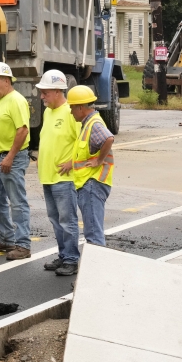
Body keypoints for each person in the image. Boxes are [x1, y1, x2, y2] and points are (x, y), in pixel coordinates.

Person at [0, 62, 32, 261]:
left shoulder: (16, 101)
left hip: (11, 157)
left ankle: (23, 244)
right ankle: (6, 238)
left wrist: (10, 156)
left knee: (17, 202)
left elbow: (23, 130)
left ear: (6, 80)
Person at [35, 70, 82, 277]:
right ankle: (64, 255)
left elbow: (85, 141)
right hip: (48, 176)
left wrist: (72, 162)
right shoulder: (48, 112)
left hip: (64, 179)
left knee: (67, 219)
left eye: (45, 92)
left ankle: (72, 259)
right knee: (55, 220)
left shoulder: (71, 113)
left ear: (57, 91)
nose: (41, 96)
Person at [63, 85, 114, 265]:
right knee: (93, 232)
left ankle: (95, 275)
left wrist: (99, 160)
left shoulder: (94, 124)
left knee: (93, 234)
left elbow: (108, 138)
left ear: (80, 108)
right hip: (89, 183)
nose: (70, 112)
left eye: (71, 108)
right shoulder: (88, 124)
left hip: (92, 184)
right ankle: (95, 274)